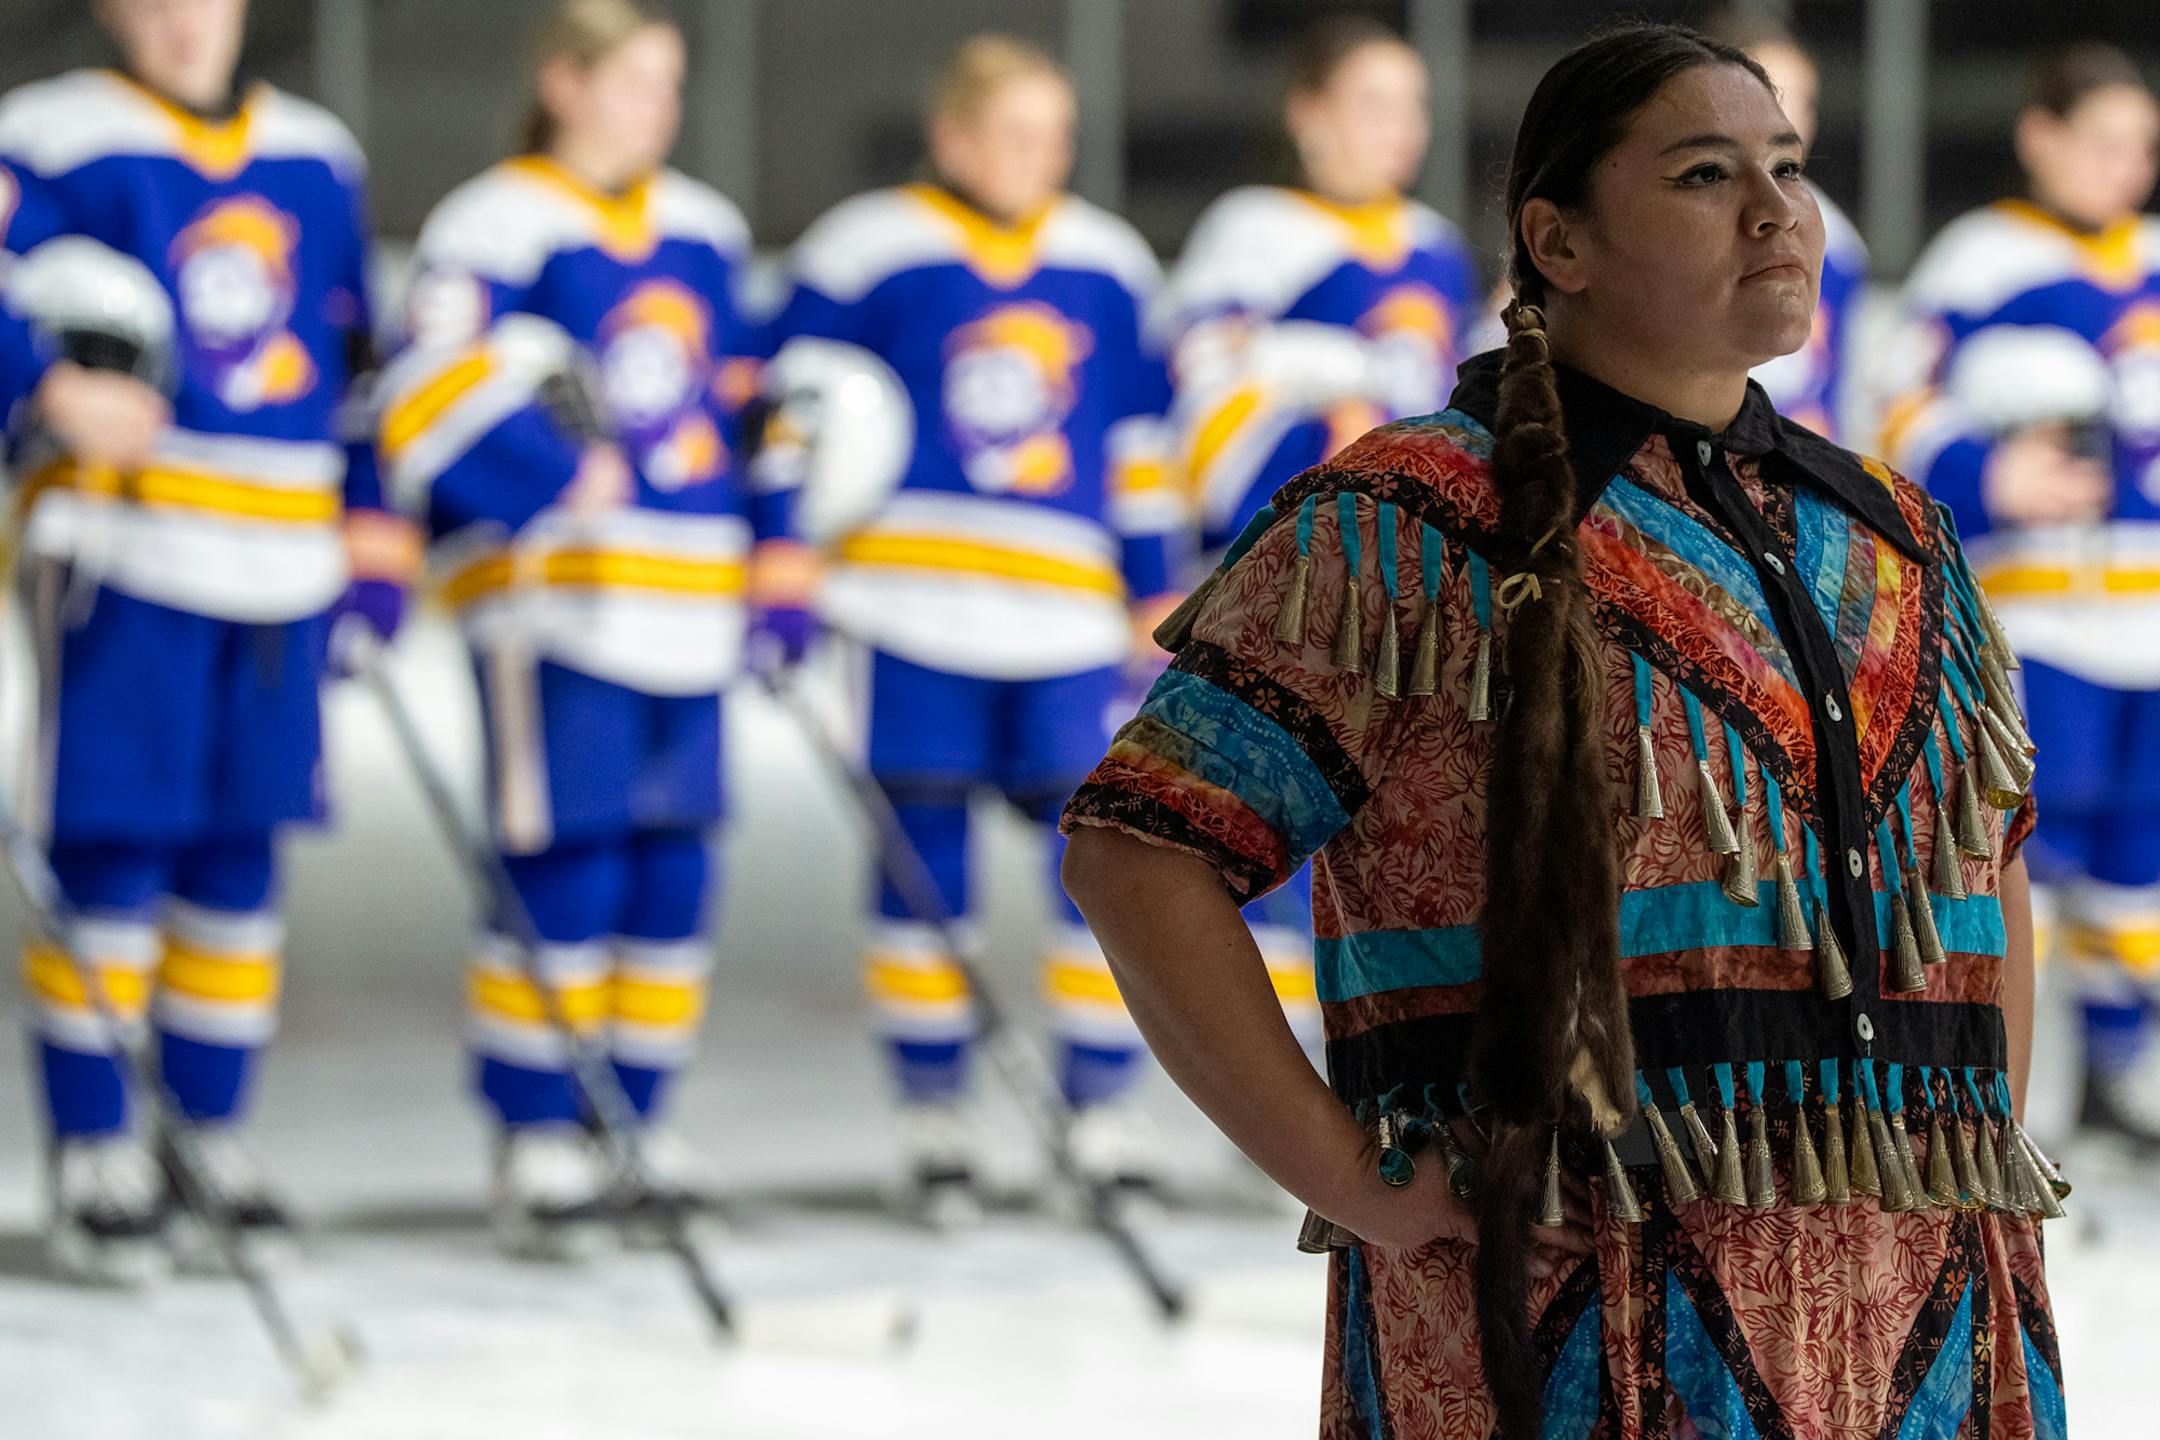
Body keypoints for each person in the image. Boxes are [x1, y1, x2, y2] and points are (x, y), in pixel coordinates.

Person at [1064, 24, 2064, 1438]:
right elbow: (1141, 851)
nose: (1778, 212)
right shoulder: (1410, 523)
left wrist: (1957, 1164)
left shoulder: (1899, 536)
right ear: (1560, 240)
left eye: (1789, 166)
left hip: (1924, 1324)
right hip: (1575, 1322)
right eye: (1707, 174)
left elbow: (1987, 861)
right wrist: (1348, 1177)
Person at [377, 0, 806, 1256]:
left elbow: (739, 405)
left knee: (673, 868)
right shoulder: (494, 221)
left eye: (669, 87)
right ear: (563, 83)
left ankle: (639, 1123)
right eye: (633, 84)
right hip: (555, 605)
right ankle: (537, 1134)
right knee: (564, 862)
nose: (656, 113)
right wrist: (547, 471)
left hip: (688, 599)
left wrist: (775, 540)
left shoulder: (705, 230)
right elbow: (422, 392)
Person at [0, 0, 406, 1283]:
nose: (180, 20)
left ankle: (205, 1138)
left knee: (240, 863)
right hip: (127, 557)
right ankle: (95, 1149)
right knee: (113, 854)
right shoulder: (46, 139)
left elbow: (353, 356)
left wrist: (374, 537)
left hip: (281, 566)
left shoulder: (316, 153)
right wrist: (44, 384)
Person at [764, 35, 1182, 1221]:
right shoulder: (864, 250)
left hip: (1060, 623)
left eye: (1051, 135)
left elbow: (1135, 446)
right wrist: (784, 554)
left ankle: (1101, 1112)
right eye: (1010, 133)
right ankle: (933, 1117)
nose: (1034, 158)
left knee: (1100, 868)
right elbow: (787, 414)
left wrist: (1153, 586)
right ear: (951, 137)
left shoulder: (1106, 263)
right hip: (904, 614)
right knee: (922, 871)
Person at [1156, 16, 1480, 1055]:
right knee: (1277, 840)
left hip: (1413, 598)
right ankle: (1291, 1086)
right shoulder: (1250, 231)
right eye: (1372, 103)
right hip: (1289, 590)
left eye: (1414, 105)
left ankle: (1382, 1062)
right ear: (1308, 115)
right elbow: (1201, 421)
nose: (1401, 130)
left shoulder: (1433, 244)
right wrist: (1314, 425)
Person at [1881, 42, 2160, 1148]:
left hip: (2154, 624)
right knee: (2025, 851)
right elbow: (1899, 414)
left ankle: (2125, 1083)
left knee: (2139, 865)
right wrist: (1988, 479)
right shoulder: (1979, 259)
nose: (2122, 167)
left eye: (2141, 146)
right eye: (2099, 140)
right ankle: (2020, 1102)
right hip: (2036, 620)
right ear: (2039, 136)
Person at [1703, 7, 1869, 440]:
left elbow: (1838, 393)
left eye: (1805, 102)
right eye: (1774, 98)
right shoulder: (1650, 213)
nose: (1794, 123)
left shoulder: (1836, 242)